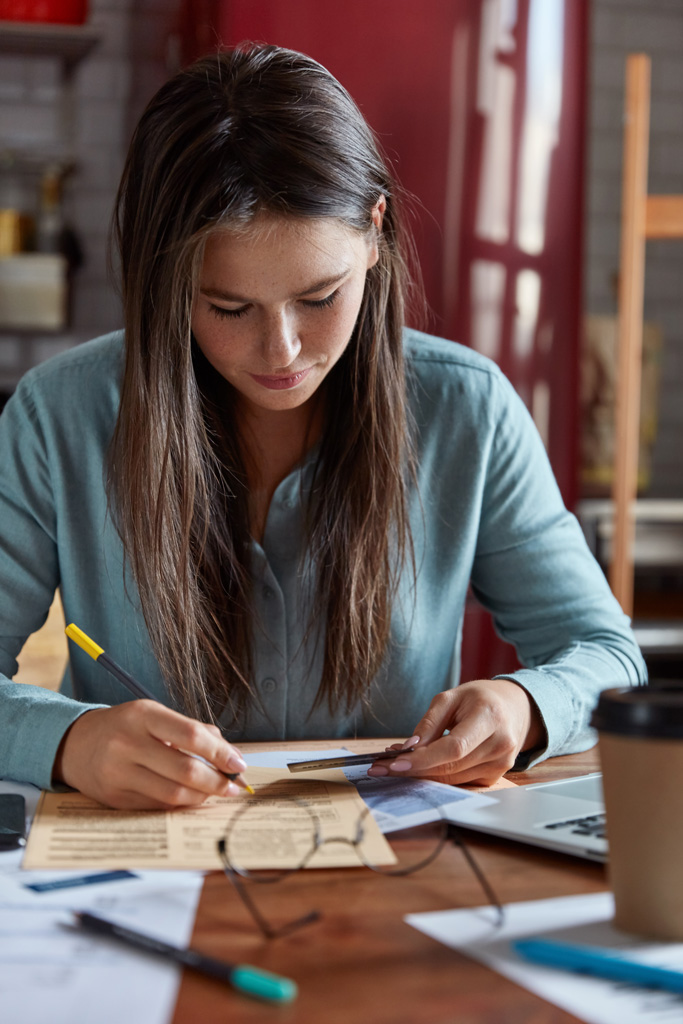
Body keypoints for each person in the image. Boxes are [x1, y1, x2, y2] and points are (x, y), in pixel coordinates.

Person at [0, 44, 645, 810]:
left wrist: (525, 707)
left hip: (396, 871)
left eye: (318, 296)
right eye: (227, 308)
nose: (281, 351)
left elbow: (606, 655)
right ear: (163, 281)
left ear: (373, 232)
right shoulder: (58, 415)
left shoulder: (467, 408)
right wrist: (71, 741)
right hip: (136, 872)